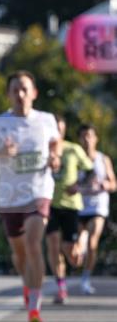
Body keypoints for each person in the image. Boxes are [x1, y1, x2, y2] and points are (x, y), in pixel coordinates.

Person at [0, 71, 60, 322]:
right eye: (14, 90)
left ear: (34, 93)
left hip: (39, 191)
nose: (20, 94)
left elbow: (56, 143)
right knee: (20, 253)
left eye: (24, 89)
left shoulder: (46, 120)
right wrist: (0, 152)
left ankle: (34, 306)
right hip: (9, 196)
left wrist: (55, 158)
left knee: (34, 242)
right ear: (8, 94)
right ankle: (27, 283)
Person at [44, 117, 94, 304]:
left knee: (71, 255)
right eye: (54, 128)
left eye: (60, 129)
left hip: (71, 205)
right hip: (49, 204)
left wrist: (78, 185)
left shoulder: (73, 149)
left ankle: (80, 245)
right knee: (52, 245)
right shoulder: (42, 149)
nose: (56, 131)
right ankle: (61, 287)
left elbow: (90, 170)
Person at [76, 124, 116, 294]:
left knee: (93, 242)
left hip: (97, 207)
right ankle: (81, 251)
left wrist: (105, 184)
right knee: (77, 249)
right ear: (79, 139)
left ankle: (85, 279)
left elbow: (114, 183)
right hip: (78, 207)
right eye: (83, 136)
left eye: (90, 136)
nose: (87, 139)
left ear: (96, 138)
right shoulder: (74, 158)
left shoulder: (103, 159)